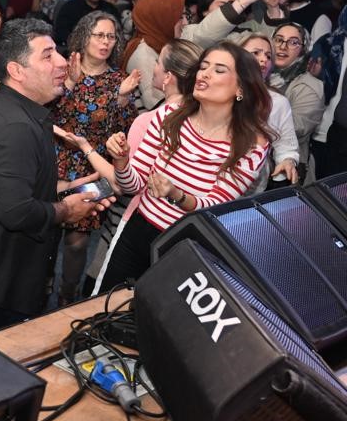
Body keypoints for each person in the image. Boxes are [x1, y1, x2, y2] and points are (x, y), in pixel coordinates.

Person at [0, 19, 114, 333]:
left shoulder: (13, 111)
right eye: (47, 55)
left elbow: (10, 184)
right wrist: (68, 210)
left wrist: (66, 188)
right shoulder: (16, 127)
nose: (61, 62)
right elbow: (15, 211)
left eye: (56, 51)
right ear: (17, 70)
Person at [95, 41, 272, 291]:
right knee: (103, 309)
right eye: (203, 67)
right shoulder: (171, 114)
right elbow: (132, 186)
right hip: (137, 230)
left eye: (219, 70)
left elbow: (213, 208)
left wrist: (176, 195)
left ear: (241, 87)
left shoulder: (252, 144)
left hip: (184, 246)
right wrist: (122, 161)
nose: (204, 74)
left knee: (156, 323)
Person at [51, 12, 139, 303]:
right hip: (57, 160)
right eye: (99, 35)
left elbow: (125, 132)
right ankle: (39, 285)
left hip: (95, 166)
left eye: (111, 36)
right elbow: (50, 116)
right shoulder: (62, 68)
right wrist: (72, 85)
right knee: (45, 232)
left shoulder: (120, 80)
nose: (105, 42)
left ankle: (67, 295)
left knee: (78, 241)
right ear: (84, 35)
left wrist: (123, 100)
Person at [238, 33, 301, 189]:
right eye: (255, 53)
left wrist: (287, 160)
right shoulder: (218, 90)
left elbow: (286, 146)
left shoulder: (277, 102)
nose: (263, 60)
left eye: (268, 56)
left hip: (251, 190)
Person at [266, 22, 324, 179]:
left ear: (303, 50)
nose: (283, 46)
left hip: (286, 170)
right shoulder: (261, 75)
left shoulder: (310, 86)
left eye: (293, 42)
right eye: (278, 39)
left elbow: (296, 128)